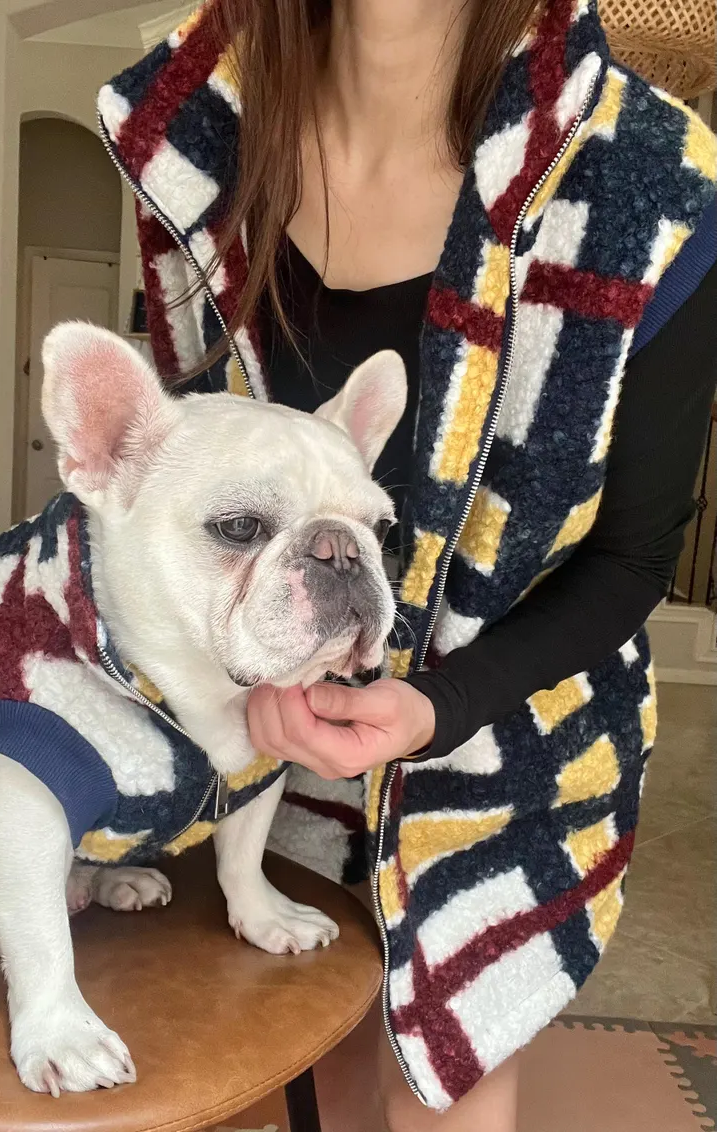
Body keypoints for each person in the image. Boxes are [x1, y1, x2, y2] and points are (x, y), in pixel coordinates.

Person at [99, 0, 717, 1127]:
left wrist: (439, 706)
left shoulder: (648, 179)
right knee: (296, 1053)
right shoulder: (192, 142)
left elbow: (633, 559)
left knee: (443, 1078)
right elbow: (186, 456)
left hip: (512, 736)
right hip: (264, 728)